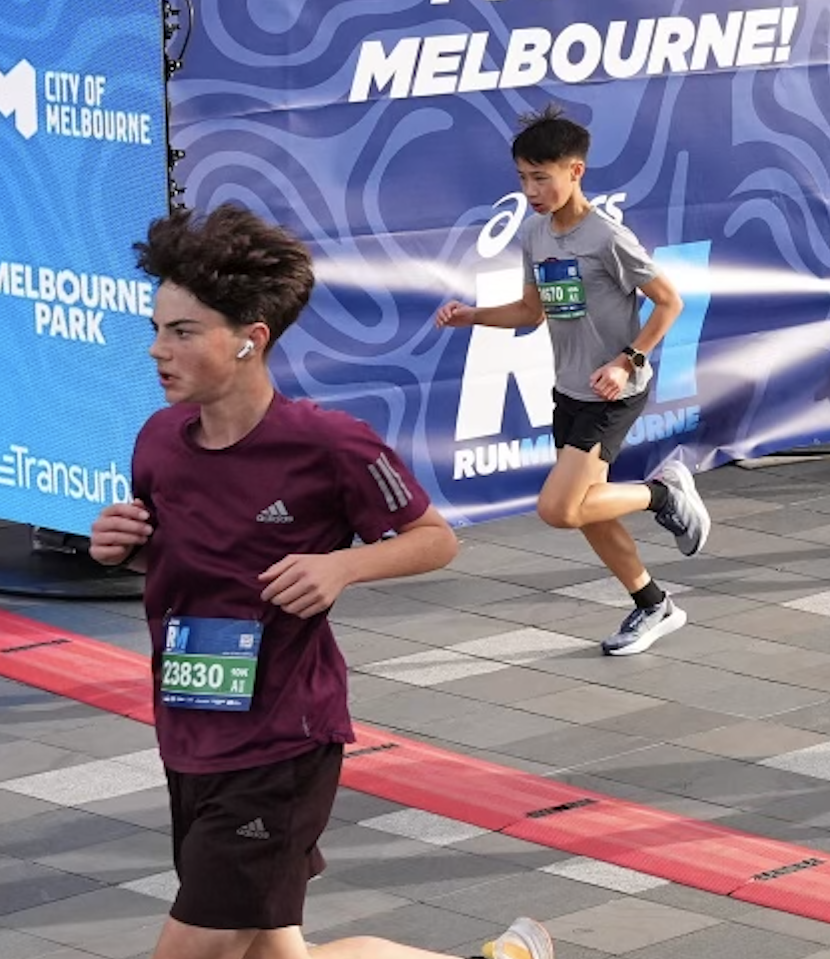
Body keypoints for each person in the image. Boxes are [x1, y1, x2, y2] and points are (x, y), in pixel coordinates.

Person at [89, 205, 554, 959]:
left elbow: (434, 540)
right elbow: (184, 561)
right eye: (157, 329)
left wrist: (342, 564)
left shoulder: (329, 446)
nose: (156, 351)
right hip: (189, 733)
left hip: (281, 745)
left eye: (181, 332)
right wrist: (118, 548)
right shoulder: (157, 442)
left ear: (250, 340)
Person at [435, 108, 709, 656]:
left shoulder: (607, 236)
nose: (532, 190)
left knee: (559, 509)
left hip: (614, 392)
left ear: (575, 172)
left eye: (542, 177)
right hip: (568, 389)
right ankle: (653, 604)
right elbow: (530, 312)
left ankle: (663, 494)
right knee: (586, 509)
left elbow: (669, 302)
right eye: (522, 178)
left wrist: (627, 360)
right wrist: (473, 316)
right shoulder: (536, 235)